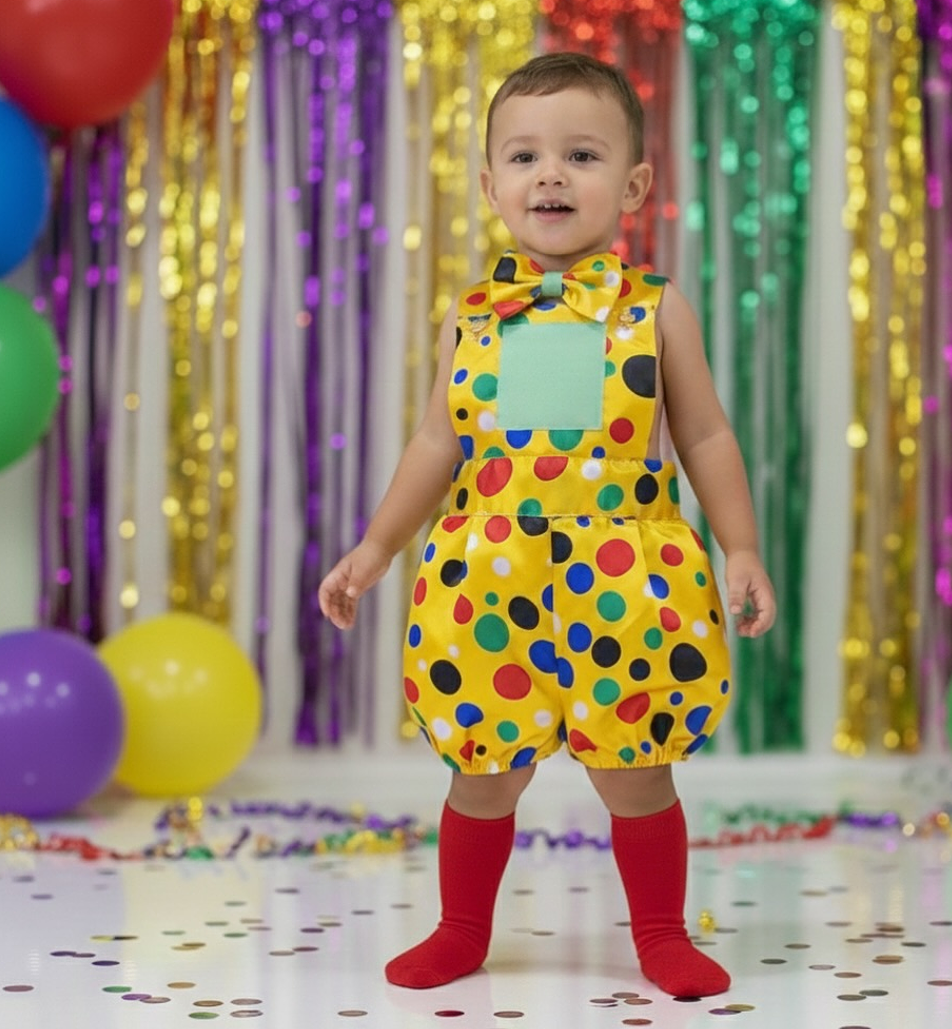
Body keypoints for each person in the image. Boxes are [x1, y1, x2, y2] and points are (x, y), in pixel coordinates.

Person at [318, 51, 776, 999]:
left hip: (627, 575)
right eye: (524, 157)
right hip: (491, 575)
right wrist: (375, 546)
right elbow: (436, 444)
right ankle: (460, 928)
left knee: (636, 767)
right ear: (489, 185)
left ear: (634, 184)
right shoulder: (473, 316)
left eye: (580, 154)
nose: (551, 175)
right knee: (482, 768)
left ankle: (658, 933)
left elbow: (704, 433)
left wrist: (740, 545)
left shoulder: (654, 311)